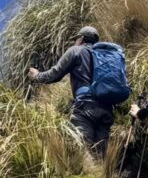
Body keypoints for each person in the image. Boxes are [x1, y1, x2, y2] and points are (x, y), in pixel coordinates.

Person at [27, 26, 126, 158]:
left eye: (76, 38)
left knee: (84, 152)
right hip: (106, 108)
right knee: (101, 155)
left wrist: (37, 76)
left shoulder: (76, 51)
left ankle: (90, 175)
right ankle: (103, 177)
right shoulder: (104, 56)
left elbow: (55, 74)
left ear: (81, 39)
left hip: (85, 107)